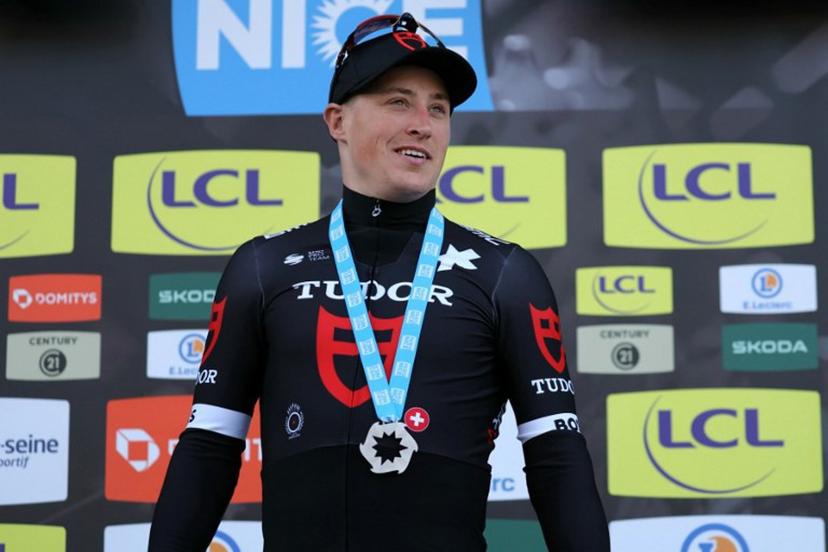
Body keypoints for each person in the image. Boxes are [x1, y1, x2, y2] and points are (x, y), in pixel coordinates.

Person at [149, 12, 609, 551]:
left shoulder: (503, 273)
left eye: (438, 108)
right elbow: (208, 448)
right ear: (337, 121)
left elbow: (557, 459)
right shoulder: (264, 267)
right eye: (398, 102)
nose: (423, 123)